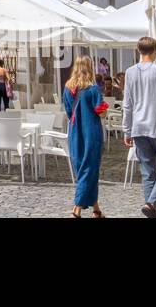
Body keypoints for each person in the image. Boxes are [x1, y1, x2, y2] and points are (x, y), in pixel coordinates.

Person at [122, 36, 156, 219]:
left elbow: (127, 104)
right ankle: (151, 203)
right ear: (155, 51)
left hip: (138, 127)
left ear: (139, 51)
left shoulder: (130, 72)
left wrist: (126, 129)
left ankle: (152, 210)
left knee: (148, 174)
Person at [62, 55, 105, 219]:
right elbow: (101, 112)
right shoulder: (93, 89)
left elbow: (67, 111)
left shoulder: (67, 88)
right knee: (89, 169)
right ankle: (77, 209)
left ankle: (96, 210)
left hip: (74, 132)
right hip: (91, 132)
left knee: (84, 169)